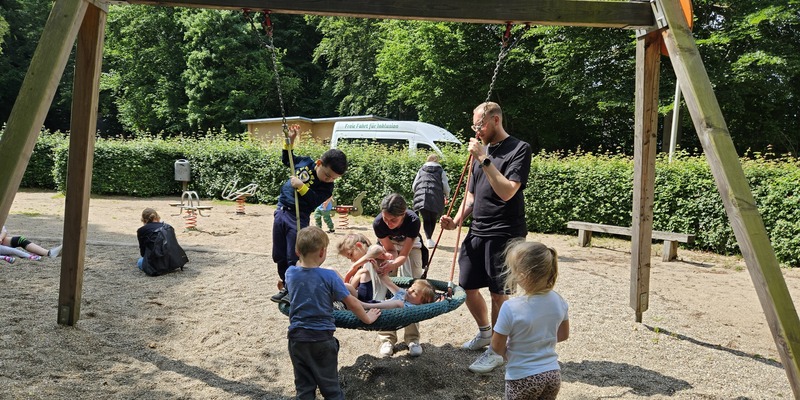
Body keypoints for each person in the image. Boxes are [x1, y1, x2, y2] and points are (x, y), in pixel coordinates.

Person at [440, 102, 532, 371]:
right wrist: (456, 220)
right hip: (477, 230)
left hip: (505, 232)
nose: (476, 130)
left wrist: (483, 158)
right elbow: (471, 194)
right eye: (474, 125)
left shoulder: (519, 149)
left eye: (479, 125)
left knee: (498, 294)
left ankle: (497, 350)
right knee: (466, 286)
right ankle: (485, 333)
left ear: (494, 120)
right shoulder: (482, 151)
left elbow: (507, 192)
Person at [285, 226, 381, 400]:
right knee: (330, 388)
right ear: (323, 252)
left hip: (296, 339)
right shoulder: (329, 277)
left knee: (304, 388)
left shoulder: (290, 273)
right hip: (321, 339)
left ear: (297, 251)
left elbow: (300, 270)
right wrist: (367, 318)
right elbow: (351, 302)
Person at [469, 241, 569, 400]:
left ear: (522, 275)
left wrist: (508, 352)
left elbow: (496, 346)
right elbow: (563, 335)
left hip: (522, 377)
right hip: (552, 374)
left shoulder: (511, 307)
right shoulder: (559, 300)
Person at [271, 124, 348, 304]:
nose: (329, 179)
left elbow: (313, 200)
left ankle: (292, 289)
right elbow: (287, 159)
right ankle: (285, 286)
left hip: (298, 217)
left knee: (294, 254)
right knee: (279, 254)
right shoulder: (305, 162)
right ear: (319, 163)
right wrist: (290, 140)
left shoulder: (327, 187)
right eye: (327, 174)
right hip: (282, 210)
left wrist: (301, 186)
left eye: (333, 178)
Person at [371, 193, 425, 357]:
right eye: (386, 218)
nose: (388, 223)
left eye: (393, 220)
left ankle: (412, 338)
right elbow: (391, 249)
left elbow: (405, 253)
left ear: (403, 214)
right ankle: (387, 338)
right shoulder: (379, 223)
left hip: (411, 245)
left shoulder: (413, 220)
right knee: (385, 286)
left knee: (414, 285)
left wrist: (395, 263)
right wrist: (389, 264)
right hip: (390, 247)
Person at [412, 153, 450, 248]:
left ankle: (425, 239)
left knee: (426, 219)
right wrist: (447, 196)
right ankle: (429, 239)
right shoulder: (440, 171)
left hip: (421, 195)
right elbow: (445, 185)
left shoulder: (421, 170)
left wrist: (417, 193)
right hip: (435, 196)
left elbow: (414, 185)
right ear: (437, 161)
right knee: (432, 218)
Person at [337, 236, 391, 302]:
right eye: (349, 258)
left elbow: (378, 250)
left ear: (359, 245)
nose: (352, 260)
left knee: (362, 272)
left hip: (373, 299)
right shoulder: (362, 264)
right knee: (332, 271)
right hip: (360, 296)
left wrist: (354, 266)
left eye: (351, 255)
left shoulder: (371, 250)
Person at [361, 274, 438, 309]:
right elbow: (388, 282)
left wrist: (438, 303)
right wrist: (377, 269)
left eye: (415, 292)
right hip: (370, 302)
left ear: (422, 302)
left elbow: (431, 308)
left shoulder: (414, 308)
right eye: (411, 287)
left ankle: (365, 306)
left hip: (374, 309)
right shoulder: (403, 293)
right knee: (364, 274)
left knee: (399, 303)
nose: (410, 290)